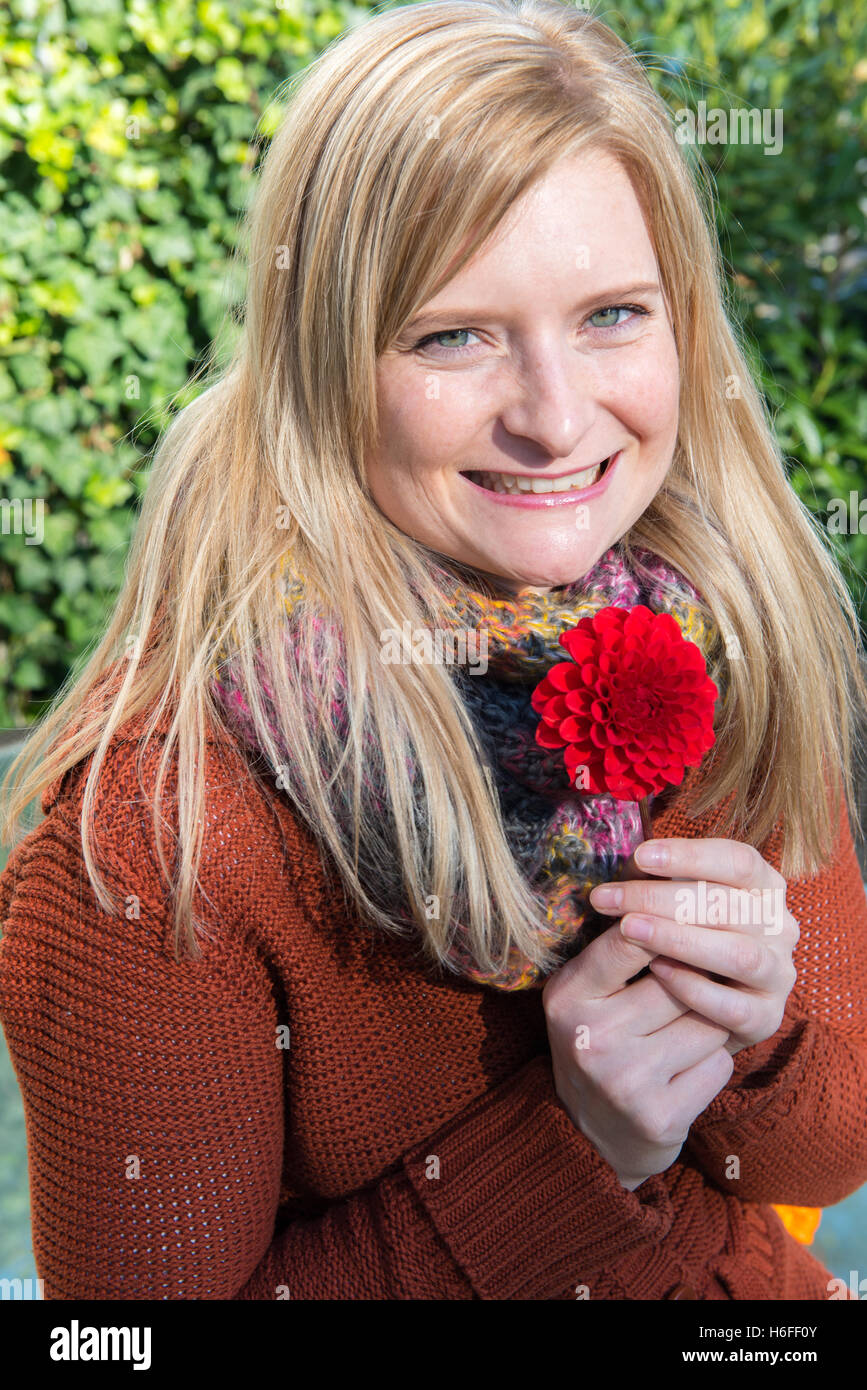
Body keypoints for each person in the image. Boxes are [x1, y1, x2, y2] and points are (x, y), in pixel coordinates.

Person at [1, 0, 866, 1301]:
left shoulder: (724, 650)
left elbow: (828, 1151)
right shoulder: (155, 841)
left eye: (613, 314)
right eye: (453, 333)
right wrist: (574, 1151)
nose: (558, 416)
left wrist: (759, 1038)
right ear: (324, 369)